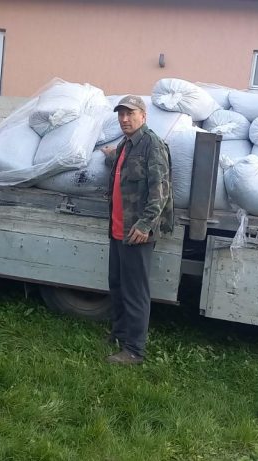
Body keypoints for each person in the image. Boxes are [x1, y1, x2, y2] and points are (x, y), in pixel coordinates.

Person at [101, 95, 174, 365]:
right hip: (118, 228)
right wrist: (109, 156)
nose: (124, 119)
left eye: (130, 113)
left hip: (137, 232)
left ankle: (134, 350)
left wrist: (145, 225)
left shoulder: (152, 144)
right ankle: (120, 333)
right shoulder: (126, 145)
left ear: (143, 115)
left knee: (135, 292)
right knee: (117, 285)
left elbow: (161, 190)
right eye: (121, 114)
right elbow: (120, 169)